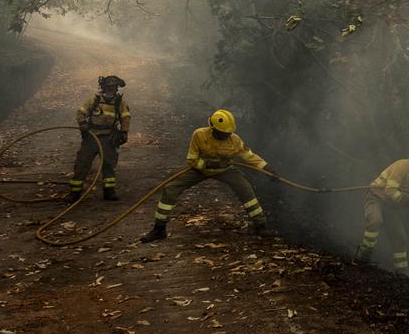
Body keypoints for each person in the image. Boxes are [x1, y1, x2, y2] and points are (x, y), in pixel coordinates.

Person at [139, 109, 277, 243]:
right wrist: (207, 165)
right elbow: (192, 159)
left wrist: (267, 169)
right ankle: (159, 229)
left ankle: (260, 226)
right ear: (213, 128)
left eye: (228, 133)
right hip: (200, 170)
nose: (226, 136)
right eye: (223, 133)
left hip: (226, 170)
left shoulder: (234, 140)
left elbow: (250, 156)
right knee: (170, 189)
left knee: (246, 189)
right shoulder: (199, 135)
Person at [356, 143, 409, 274]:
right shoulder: (403, 166)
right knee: (375, 221)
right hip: (376, 198)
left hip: (390, 207)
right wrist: (407, 200)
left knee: (400, 238)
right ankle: (362, 258)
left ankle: (402, 273)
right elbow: (390, 191)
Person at [68, 75, 131, 202]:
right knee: (82, 164)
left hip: (108, 138)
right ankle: (75, 193)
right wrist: (82, 123)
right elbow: (80, 112)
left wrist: (124, 132)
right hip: (91, 137)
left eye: (113, 87)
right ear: (103, 87)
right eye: (108, 87)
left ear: (116, 88)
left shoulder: (120, 103)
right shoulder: (94, 99)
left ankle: (109, 192)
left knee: (109, 165)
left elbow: (125, 117)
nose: (111, 89)